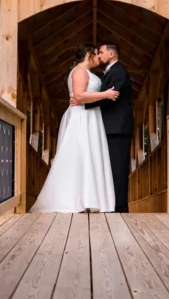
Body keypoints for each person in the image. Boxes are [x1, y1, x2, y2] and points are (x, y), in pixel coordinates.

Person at [29, 44, 119, 213]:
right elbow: (79, 96)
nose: (99, 58)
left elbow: (82, 97)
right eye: (96, 54)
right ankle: (78, 199)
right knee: (80, 154)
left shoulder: (88, 73)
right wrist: (105, 94)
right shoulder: (79, 71)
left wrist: (94, 98)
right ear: (87, 55)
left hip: (90, 116)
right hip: (81, 118)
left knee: (88, 155)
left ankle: (89, 198)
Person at [73, 43, 133, 213]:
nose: (99, 56)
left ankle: (120, 207)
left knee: (118, 169)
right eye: (97, 53)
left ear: (111, 54)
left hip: (117, 128)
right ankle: (111, 204)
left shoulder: (119, 71)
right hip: (110, 128)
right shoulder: (111, 71)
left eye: (101, 52)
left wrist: (82, 101)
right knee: (111, 168)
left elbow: (111, 97)